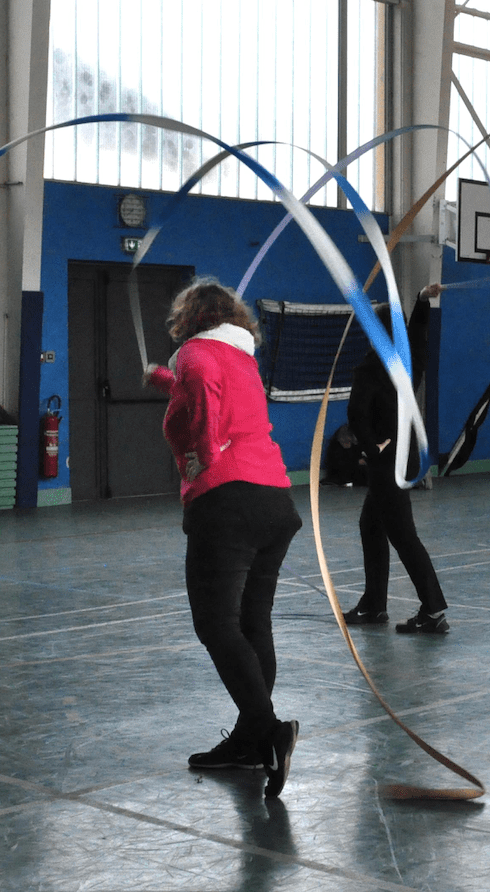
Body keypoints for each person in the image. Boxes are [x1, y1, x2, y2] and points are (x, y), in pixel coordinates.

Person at [144, 278, 302, 797]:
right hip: (274, 500)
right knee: (253, 622)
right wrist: (164, 378)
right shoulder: (240, 358)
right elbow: (204, 386)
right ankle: (250, 742)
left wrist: (203, 457)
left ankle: (269, 731)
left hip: (227, 501)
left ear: (189, 317)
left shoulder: (195, 353)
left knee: (215, 624)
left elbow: (206, 406)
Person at [341, 284, 450, 634]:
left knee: (403, 536)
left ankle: (433, 609)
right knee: (371, 525)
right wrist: (422, 301)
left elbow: (356, 414)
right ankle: (374, 605)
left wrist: (371, 449)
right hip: (407, 456)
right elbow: (418, 335)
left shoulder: (371, 368)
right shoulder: (409, 361)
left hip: (387, 463)